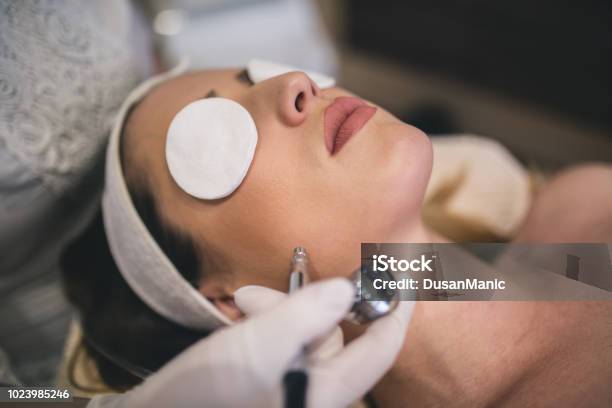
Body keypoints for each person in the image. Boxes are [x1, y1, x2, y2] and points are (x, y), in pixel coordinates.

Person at [62, 67, 612, 405]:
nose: (294, 84)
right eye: (211, 137)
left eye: (258, 72)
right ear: (229, 300)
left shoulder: (585, 209)